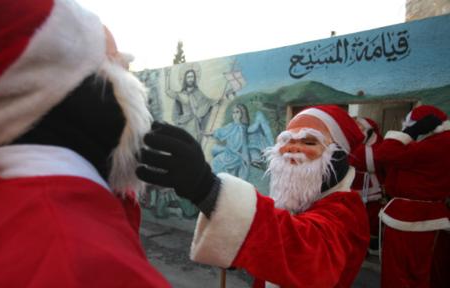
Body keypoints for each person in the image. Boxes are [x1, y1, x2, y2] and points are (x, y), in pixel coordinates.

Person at [0, 0, 170, 287]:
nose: (134, 86)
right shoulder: (73, 256)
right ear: (62, 89)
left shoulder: (10, 205)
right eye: (115, 65)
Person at [137, 105, 370, 287]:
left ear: (337, 155)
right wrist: (238, 244)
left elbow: (305, 252)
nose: (292, 149)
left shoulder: (346, 210)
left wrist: (208, 189)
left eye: (309, 142)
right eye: (286, 141)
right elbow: (276, 235)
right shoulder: (299, 201)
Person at [374, 105, 450, 288]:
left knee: (401, 271)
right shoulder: (437, 142)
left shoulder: (438, 143)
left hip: (411, 218)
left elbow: (384, 153)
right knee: (424, 269)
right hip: (427, 214)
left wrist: (411, 131)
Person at [349, 116, 386, 255]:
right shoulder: (352, 143)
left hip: (373, 185)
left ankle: (373, 245)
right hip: (353, 183)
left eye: (360, 127)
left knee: (373, 217)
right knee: (355, 216)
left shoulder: (379, 145)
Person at [209, 104, 273, 180]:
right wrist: (208, 133)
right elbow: (220, 132)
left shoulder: (242, 128)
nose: (235, 115)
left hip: (236, 157)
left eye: (237, 112)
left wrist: (246, 160)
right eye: (233, 112)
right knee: (215, 162)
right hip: (228, 154)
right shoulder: (231, 125)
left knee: (218, 164)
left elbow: (244, 146)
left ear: (242, 114)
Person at [166, 68, 218, 142]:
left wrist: (218, 100)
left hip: (194, 124)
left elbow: (208, 102)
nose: (190, 79)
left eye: (192, 77)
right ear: (185, 79)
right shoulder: (181, 94)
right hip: (184, 123)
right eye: (188, 77)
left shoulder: (198, 92)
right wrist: (167, 75)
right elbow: (168, 91)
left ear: (194, 78)